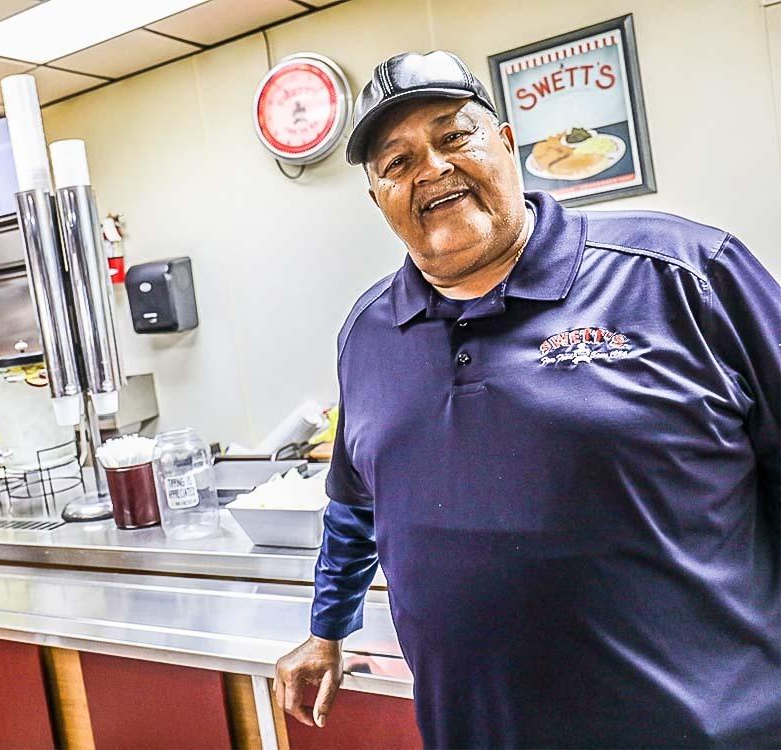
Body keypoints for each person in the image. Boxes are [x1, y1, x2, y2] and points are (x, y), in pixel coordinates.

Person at [274, 50, 781, 747]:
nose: (430, 168)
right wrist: (326, 629)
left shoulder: (685, 276)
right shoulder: (367, 332)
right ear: (379, 199)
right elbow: (358, 500)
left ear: (508, 145)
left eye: (454, 137)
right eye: (396, 163)